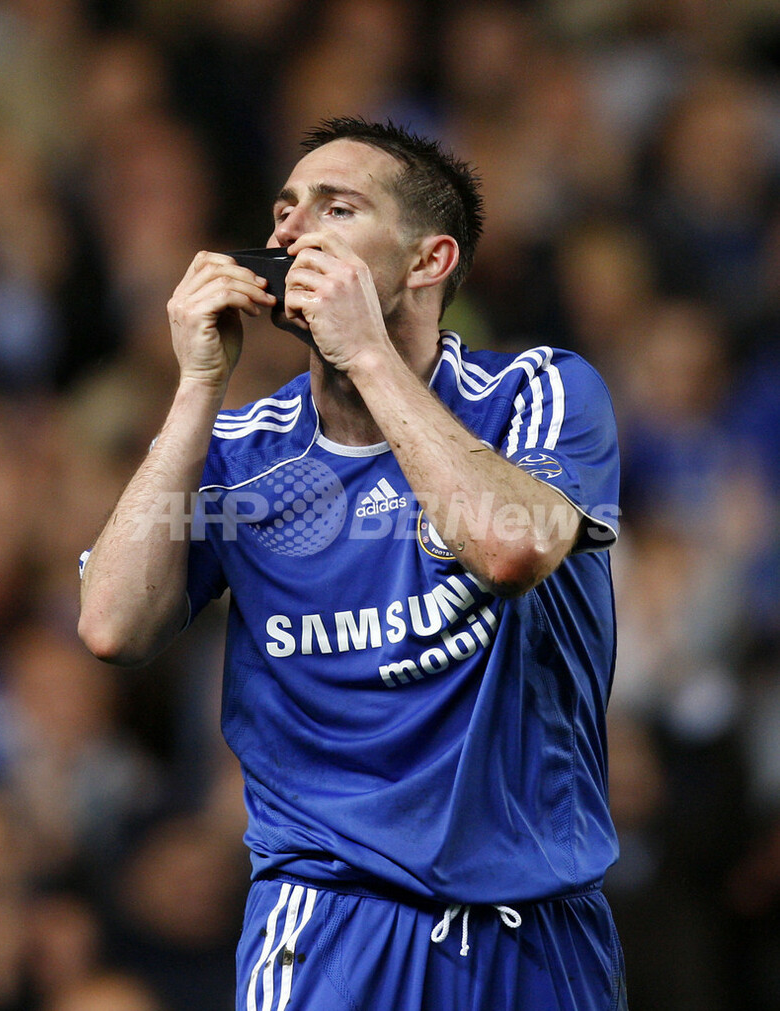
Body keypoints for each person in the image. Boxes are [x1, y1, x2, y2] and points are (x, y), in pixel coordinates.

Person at [78, 117, 626, 1010]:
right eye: (285, 210)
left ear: (428, 261)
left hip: (540, 927)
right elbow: (111, 625)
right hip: (332, 922)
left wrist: (366, 351)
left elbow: (511, 547)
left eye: (337, 208)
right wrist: (197, 387)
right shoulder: (242, 453)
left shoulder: (538, 391)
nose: (293, 230)